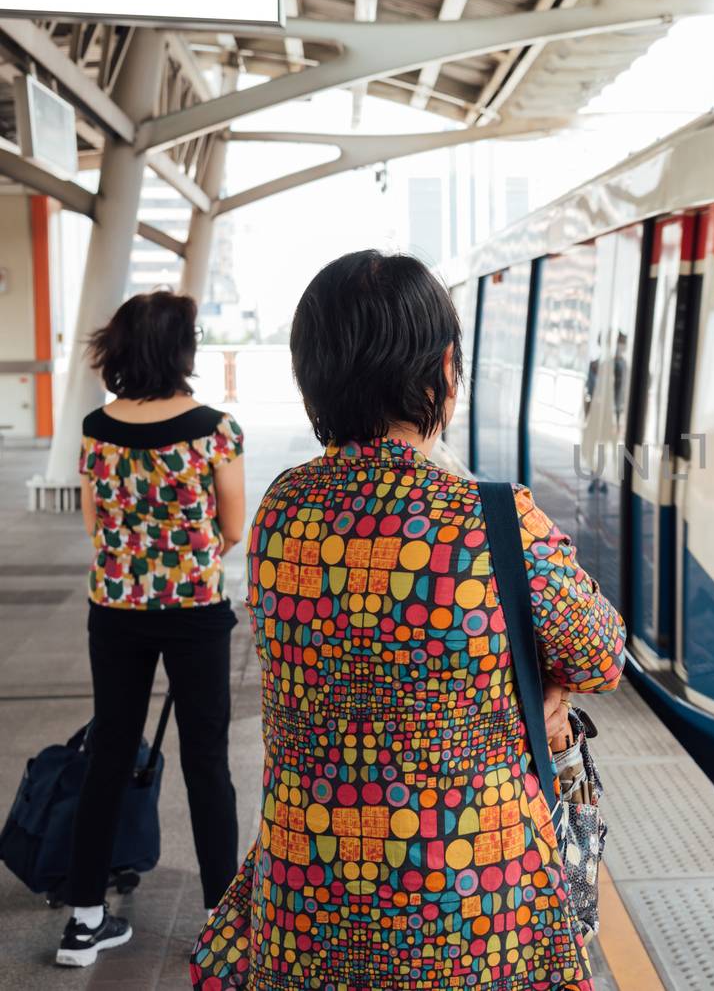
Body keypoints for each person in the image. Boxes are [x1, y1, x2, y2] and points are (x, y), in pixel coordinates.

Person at [191, 251, 625, 991]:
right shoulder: (490, 519)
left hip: (309, 884)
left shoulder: (283, 507)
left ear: (314, 375)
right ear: (443, 371)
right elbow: (602, 653)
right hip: (471, 898)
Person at [58, 291, 245, 967]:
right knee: (206, 764)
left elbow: (91, 525)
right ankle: (221, 923)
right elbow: (231, 528)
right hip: (194, 612)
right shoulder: (214, 428)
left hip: (114, 610)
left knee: (109, 753)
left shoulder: (95, 428)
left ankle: (83, 922)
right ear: (181, 349)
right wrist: (183, 557)